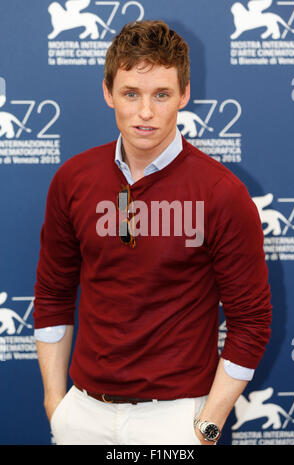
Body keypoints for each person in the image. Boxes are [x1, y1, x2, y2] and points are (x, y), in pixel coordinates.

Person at [33, 20, 272, 446]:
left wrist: (207, 425)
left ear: (184, 94)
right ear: (108, 93)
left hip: (177, 419)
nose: (146, 112)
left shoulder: (222, 194)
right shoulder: (73, 179)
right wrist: (57, 405)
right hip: (83, 415)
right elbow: (53, 296)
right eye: (131, 94)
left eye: (161, 94)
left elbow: (250, 323)